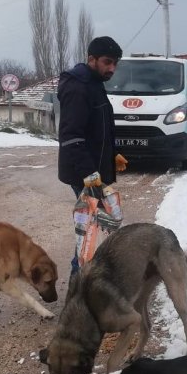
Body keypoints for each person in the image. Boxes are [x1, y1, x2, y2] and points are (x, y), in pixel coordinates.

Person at [57, 36, 128, 275]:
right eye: (108, 62)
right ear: (91, 59)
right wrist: (90, 176)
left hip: (94, 170)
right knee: (89, 235)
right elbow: (72, 137)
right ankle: (78, 293)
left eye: (115, 63)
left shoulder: (94, 83)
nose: (112, 68)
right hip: (84, 175)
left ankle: (86, 286)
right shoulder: (78, 87)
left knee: (92, 232)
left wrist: (112, 154)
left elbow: (97, 130)